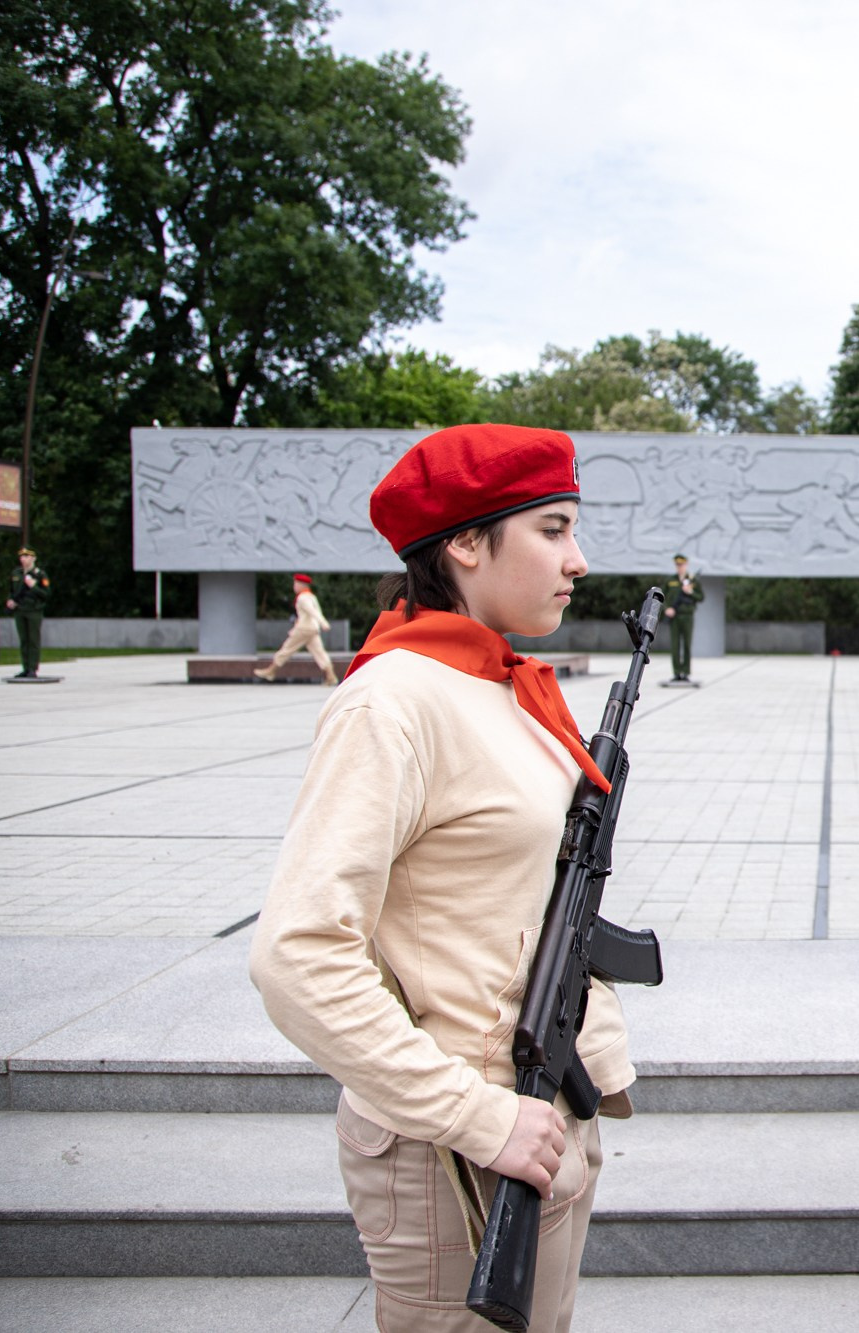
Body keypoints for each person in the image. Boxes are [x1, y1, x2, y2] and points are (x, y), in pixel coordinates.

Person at [250, 423, 635, 1332]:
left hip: (537, 1113)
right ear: (465, 542)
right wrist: (474, 1113)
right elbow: (297, 954)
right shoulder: (394, 702)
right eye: (551, 528)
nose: (577, 559)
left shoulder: (495, 680)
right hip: (453, 1145)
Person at [253, 573, 338, 685]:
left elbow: (312, 611)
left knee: (287, 649)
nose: (294, 587)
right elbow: (315, 611)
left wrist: (323, 622)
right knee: (319, 652)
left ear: (301, 585)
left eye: (296, 584)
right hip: (312, 629)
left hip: (304, 629)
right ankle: (331, 676)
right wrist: (320, 623)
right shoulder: (311, 596)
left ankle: (271, 671)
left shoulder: (302, 598)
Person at [3, 547, 52, 679]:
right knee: (24, 640)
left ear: (33, 558)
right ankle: (25, 668)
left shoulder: (40, 574)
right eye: (22, 556)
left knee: (33, 640)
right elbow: (12, 591)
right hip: (20, 610)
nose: (23, 559)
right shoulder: (16, 573)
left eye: (26, 556)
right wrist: (10, 600)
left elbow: (46, 594)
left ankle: (32, 669)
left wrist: (33, 586)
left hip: (34, 611)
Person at [662, 553, 702, 681]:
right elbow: (661, 597)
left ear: (686, 565)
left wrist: (690, 592)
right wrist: (667, 609)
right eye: (678, 565)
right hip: (675, 617)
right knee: (675, 645)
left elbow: (701, 597)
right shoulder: (670, 580)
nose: (680, 567)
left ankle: (685, 672)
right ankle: (676, 672)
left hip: (687, 616)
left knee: (687, 645)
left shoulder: (692, 581)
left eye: (682, 565)